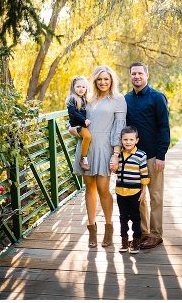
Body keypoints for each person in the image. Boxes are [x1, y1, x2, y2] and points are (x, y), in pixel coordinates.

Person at [70, 65, 126, 249]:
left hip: (105, 148)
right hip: (86, 148)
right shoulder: (88, 99)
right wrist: (72, 130)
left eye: (106, 79)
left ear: (111, 81)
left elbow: (119, 128)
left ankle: (109, 228)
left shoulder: (118, 99)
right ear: (94, 81)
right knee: (89, 190)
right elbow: (74, 119)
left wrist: (116, 154)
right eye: (99, 79)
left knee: (103, 189)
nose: (103, 82)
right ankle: (92, 230)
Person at [125, 62, 170, 250]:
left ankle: (156, 234)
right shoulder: (126, 99)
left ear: (146, 75)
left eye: (140, 73)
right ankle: (143, 233)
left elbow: (164, 127)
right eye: (133, 73)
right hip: (134, 157)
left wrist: (161, 155)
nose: (136, 76)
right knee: (139, 198)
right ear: (130, 76)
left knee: (156, 196)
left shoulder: (157, 98)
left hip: (153, 156)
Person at [114, 126, 150, 254]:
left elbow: (144, 174)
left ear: (137, 140)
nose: (128, 142)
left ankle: (136, 241)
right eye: (125, 139)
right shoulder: (118, 155)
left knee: (135, 217)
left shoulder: (141, 155)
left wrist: (143, 190)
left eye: (131, 139)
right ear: (121, 140)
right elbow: (115, 170)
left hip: (135, 192)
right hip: (120, 191)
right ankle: (124, 241)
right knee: (123, 217)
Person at [66, 75, 92, 171]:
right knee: (88, 136)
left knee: (87, 137)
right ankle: (83, 159)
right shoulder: (72, 98)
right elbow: (72, 113)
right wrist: (84, 120)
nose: (81, 89)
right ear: (73, 87)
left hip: (82, 124)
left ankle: (84, 157)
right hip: (77, 125)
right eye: (78, 86)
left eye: (83, 87)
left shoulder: (84, 99)